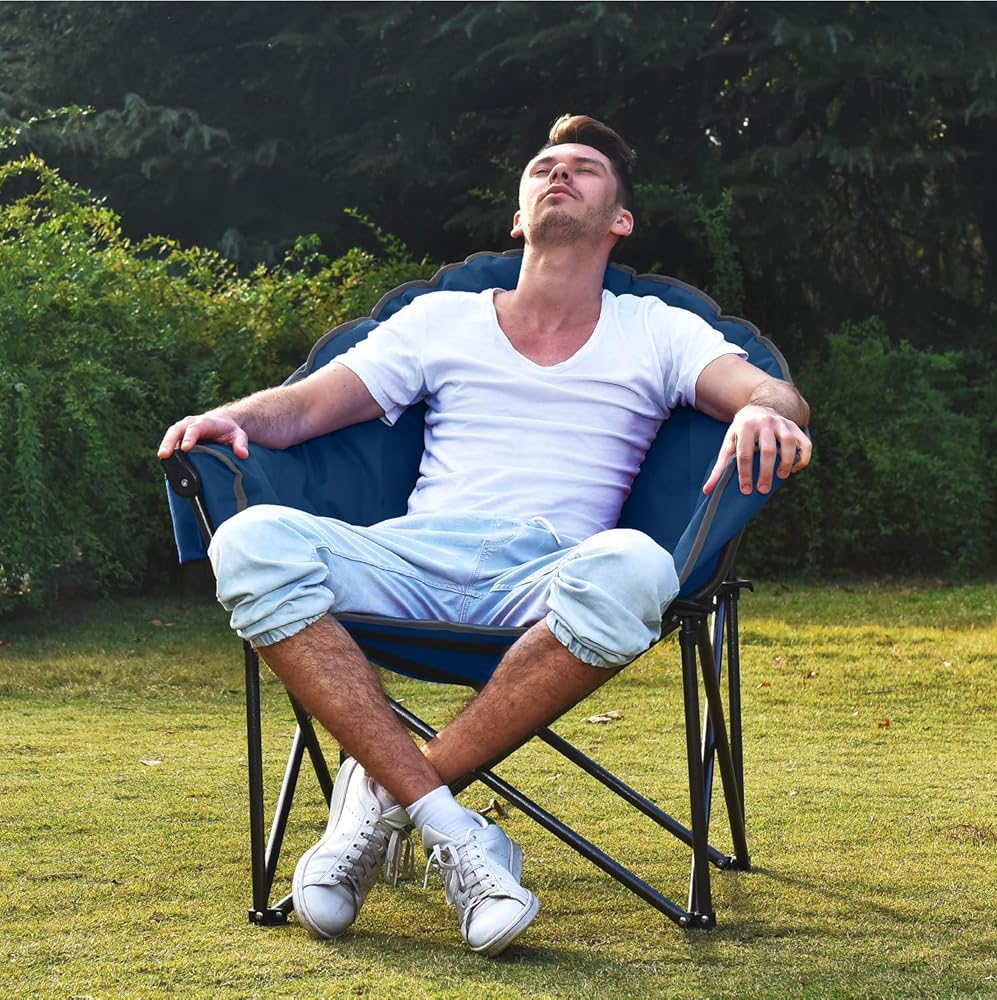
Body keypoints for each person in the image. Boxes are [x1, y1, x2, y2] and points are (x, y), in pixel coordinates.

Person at [158, 114, 811, 957]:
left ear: (621, 219)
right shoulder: (442, 319)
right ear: (518, 215)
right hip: (409, 556)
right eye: (544, 166)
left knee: (638, 567)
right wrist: (231, 416)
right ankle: (454, 829)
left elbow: (776, 396)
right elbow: (307, 407)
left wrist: (763, 411)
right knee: (250, 542)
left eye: (584, 168)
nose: (559, 173)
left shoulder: (657, 328)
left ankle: (377, 801)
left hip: (548, 574)